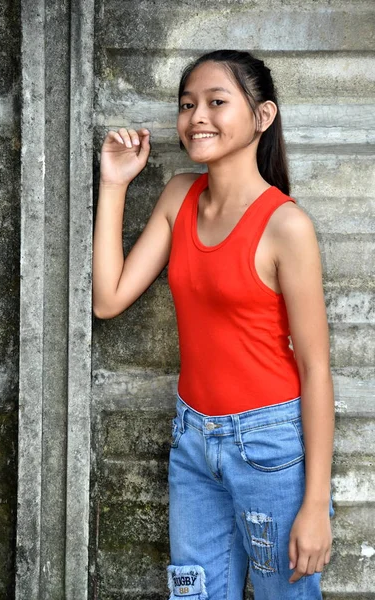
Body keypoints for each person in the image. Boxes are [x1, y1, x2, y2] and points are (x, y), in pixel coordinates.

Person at [93, 49, 335, 600]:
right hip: (192, 441)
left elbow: (316, 368)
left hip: (269, 449)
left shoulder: (285, 225)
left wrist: (315, 503)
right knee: (196, 595)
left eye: (216, 102)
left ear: (263, 116)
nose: (196, 116)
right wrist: (113, 184)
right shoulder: (181, 195)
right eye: (186, 104)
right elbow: (107, 298)